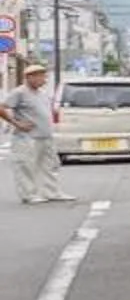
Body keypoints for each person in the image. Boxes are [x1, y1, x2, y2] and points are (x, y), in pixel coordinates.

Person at [6, 63, 74, 205]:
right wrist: (16, 123)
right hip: (27, 137)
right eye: (41, 76)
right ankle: (29, 194)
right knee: (26, 166)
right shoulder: (20, 92)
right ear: (30, 77)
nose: (44, 80)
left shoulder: (42, 94)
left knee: (49, 166)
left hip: (45, 136)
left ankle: (51, 192)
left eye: (44, 76)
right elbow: (2, 107)